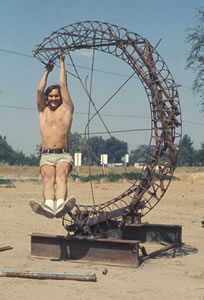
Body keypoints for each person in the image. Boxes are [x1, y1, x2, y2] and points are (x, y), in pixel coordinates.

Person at [30, 55, 76, 218]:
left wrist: (62, 64)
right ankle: (49, 207)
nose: (54, 98)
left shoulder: (67, 109)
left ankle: (61, 205)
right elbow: (39, 90)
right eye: (51, 96)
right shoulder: (43, 110)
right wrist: (46, 72)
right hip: (47, 155)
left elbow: (63, 85)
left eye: (56, 96)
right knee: (48, 180)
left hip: (63, 154)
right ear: (47, 98)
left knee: (61, 177)